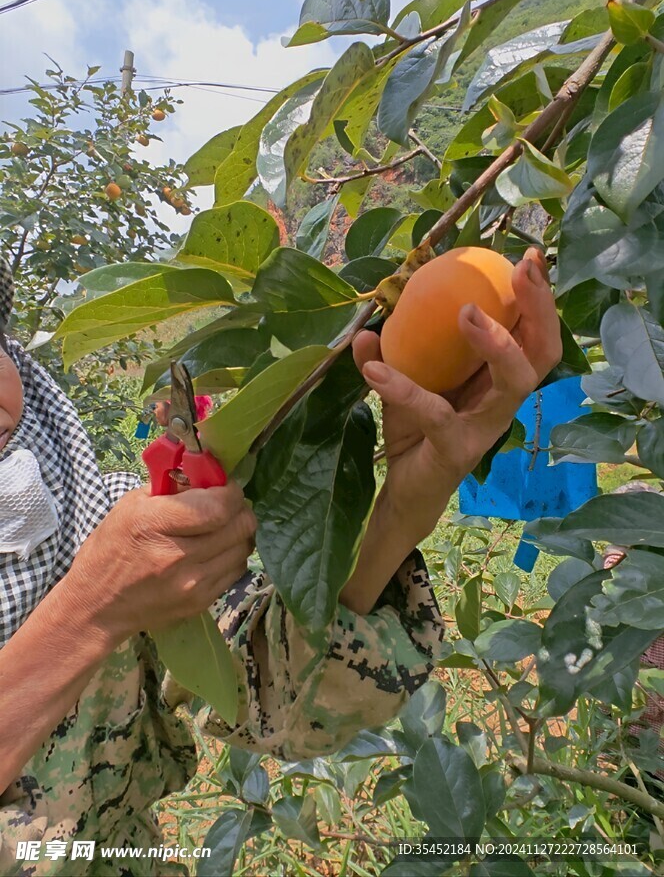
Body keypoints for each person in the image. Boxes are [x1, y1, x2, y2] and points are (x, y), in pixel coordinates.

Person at [0, 248, 562, 875]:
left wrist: (405, 504)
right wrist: (87, 612)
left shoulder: (94, 520)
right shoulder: (102, 564)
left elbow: (279, 702)